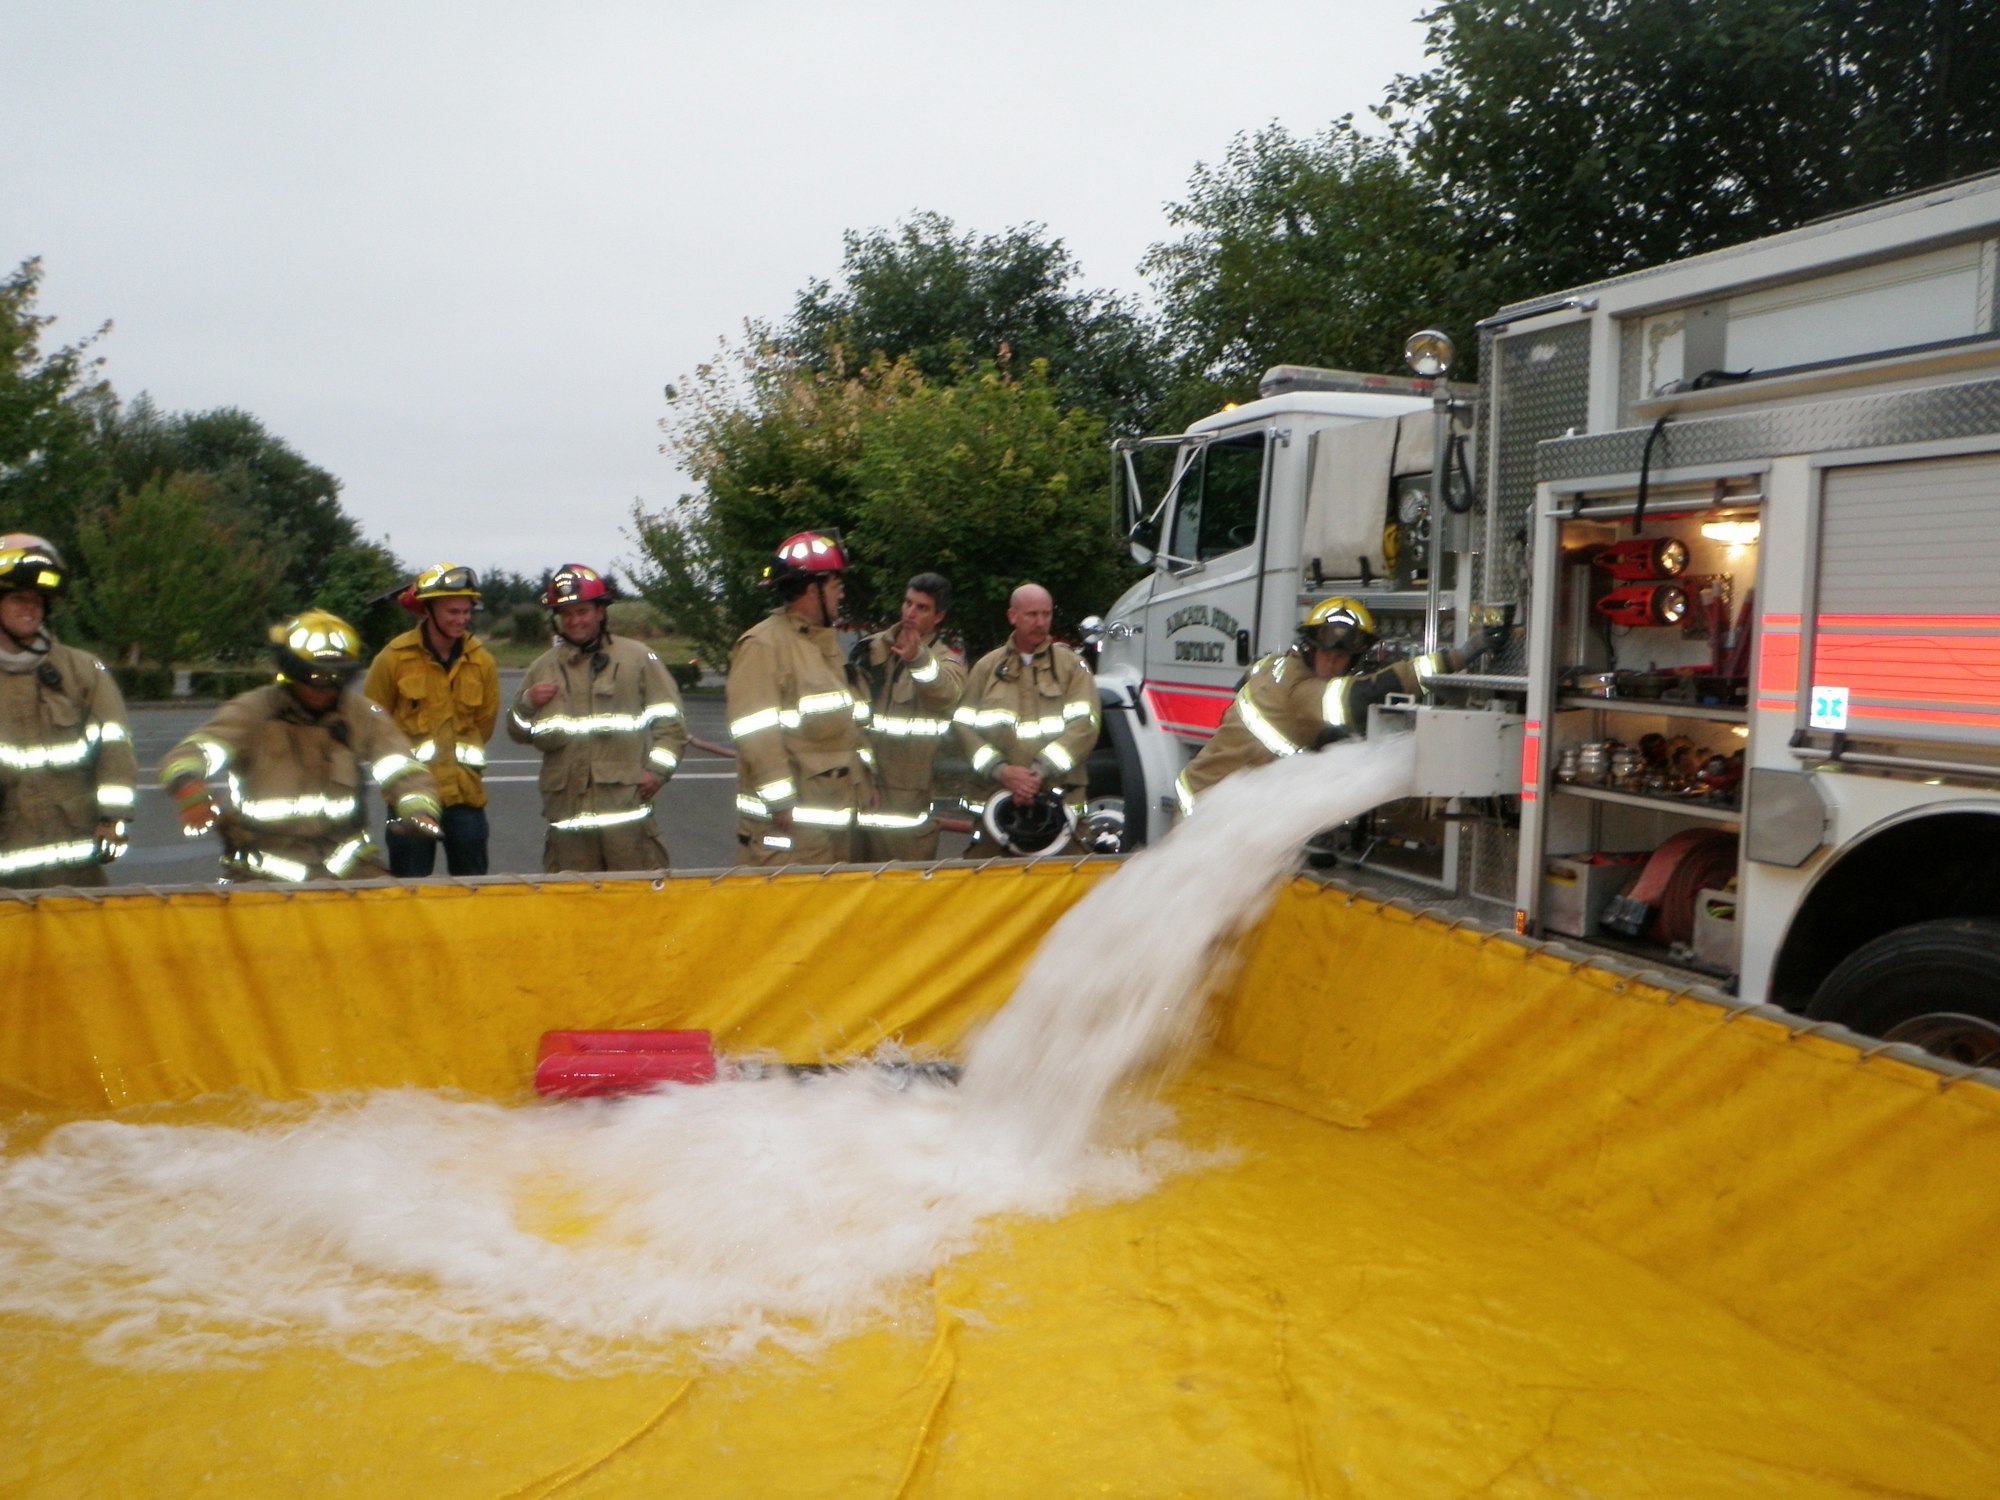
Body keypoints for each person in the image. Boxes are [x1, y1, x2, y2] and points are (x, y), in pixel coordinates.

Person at [159, 610, 443, 883]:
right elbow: (194, 752)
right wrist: (189, 786)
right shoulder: (253, 712)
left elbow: (401, 766)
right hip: (262, 872)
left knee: (391, 916)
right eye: (314, 677)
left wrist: (419, 810)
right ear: (292, 671)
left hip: (347, 865)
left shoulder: (360, 713)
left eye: (336, 678)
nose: (325, 689)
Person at [1173, 596, 1508, 813]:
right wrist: (1458, 656)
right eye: (1326, 651)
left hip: (1209, 798)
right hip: (1209, 814)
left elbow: (1241, 695)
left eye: (1342, 656)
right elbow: (1365, 695)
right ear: (1310, 647)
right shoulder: (1304, 694)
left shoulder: (1271, 663)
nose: (1333, 663)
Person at [507, 564, 687, 873]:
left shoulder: (638, 658)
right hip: (569, 824)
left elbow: (671, 725)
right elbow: (518, 732)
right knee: (573, 911)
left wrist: (656, 772)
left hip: (626, 823)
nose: (575, 621)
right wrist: (526, 704)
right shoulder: (542, 667)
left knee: (635, 908)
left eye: (582, 611)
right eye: (566, 614)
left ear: (601, 611)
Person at [727, 530, 872, 866]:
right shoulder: (763, 646)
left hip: (831, 823)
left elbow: (845, 727)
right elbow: (755, 731)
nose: (841, 595)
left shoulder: (823, 644)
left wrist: (863, 784)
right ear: (812, 590)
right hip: (788, 832)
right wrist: (780, 802)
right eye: (836, 586)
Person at [0, 533, 136, 889]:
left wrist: (113, 819)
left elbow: (115, 746)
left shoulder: (84, 669)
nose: (30, 608)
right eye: (18, 598)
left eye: (37, 601)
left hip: (75, 860)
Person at [362, 563, 500, 876]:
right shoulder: (393, 659)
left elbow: (484, 726)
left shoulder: (481, 661)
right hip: (409, 800)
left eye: (466, 611)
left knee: (472, 894)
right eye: (453, 611)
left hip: (466, 799)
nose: (461, 619)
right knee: (410, 894)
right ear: (429, 609)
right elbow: (373, 726)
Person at [953, 582, 1100, 853]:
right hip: (995, 807)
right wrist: (1001, 771)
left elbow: (1085, 726)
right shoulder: (987, 668)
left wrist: (1037, 773)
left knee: (1066, 886)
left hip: (1060, 805)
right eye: (1032, 614)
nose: (1041, 622)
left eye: (1046, 614)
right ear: (1013, 616)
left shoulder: (1072, 667)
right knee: (992, 885)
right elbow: (963, 726)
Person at [851, 571, 966, 862]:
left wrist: (917, 659)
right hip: (861, 786)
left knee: (902, 889)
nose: (910, 612)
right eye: (908, 603)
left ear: (938, 617)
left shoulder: (946, 660)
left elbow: (947, 695)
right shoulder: (872, 649)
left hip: (909, 797)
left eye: (922, 607)